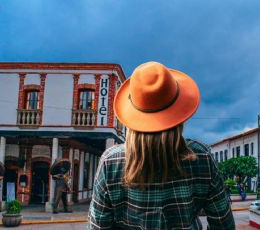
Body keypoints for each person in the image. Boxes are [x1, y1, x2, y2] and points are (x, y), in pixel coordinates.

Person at [89, 62, 235, 229]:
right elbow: (223, 224)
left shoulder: (111, 162)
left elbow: (98, 226)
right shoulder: (201, 157)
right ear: (178, 112)